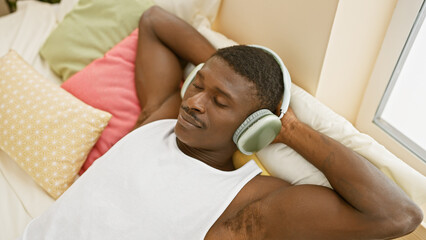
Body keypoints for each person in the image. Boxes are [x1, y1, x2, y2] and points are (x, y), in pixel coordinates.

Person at [21, 6, 422, 240]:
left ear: (254, 126)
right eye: (198, 85)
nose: (193, 104)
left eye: (219, 102)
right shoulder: (158, 120)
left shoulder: (244, 204)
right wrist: (222, 70)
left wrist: (288, 128)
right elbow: (155, 21)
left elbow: (399, 214)